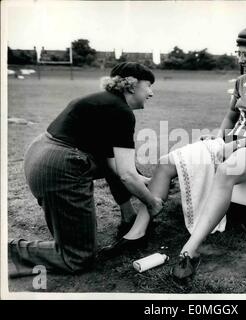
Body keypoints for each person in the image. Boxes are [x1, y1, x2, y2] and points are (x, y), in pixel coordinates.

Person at [103, 25, 246, 280]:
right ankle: (136, 234)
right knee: (166, 162)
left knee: (227, 170)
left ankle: (190, 250)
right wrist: (218, 137)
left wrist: (235, 145)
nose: (241, 59)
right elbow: (231, 116)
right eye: (240, 53)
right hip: (227, 142)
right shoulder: (241, 82)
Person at [8, 62, 163, 277]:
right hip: (59, 166)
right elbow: (126, 175)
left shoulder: (104, 103)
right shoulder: (121, 112)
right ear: (131, 86)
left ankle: (127, 218)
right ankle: (8, 254)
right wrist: (152, 202)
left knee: (74, 240)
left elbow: (114, 166)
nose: (151, 93)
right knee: (77, 258)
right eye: (148, 86)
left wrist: (142, 181)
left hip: (42, 158)